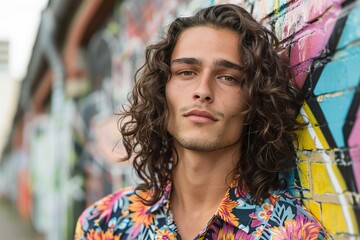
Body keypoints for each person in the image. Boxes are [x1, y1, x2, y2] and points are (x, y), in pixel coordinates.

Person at [75, 3, 328, 240]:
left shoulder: (290, 233)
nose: (203, 90)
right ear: (163, 91)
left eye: (228, 77)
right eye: (186, 72)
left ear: (254, 102)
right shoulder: (104, 224)